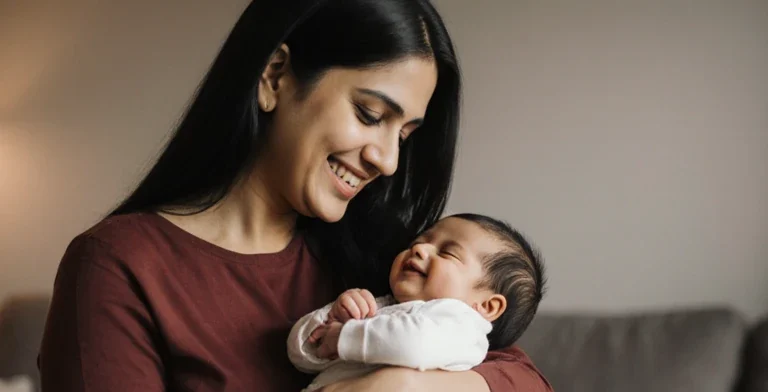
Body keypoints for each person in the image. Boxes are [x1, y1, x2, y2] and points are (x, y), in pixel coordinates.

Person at [38, 0, 553, 391]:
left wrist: (401, 385)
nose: (388, 161)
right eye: (370, 116)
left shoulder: (382, 256)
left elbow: (523, 376)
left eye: (404, 135)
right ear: (275, 76)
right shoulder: (119, 265)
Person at [288, 213, 547, 391]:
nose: (419, 250)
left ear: (487, 306)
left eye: (447, 252)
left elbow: (412, 344)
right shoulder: (379, 306)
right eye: (419, 242)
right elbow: (299, 357)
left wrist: (344, 336)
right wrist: (327, 322)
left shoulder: (462, 326)